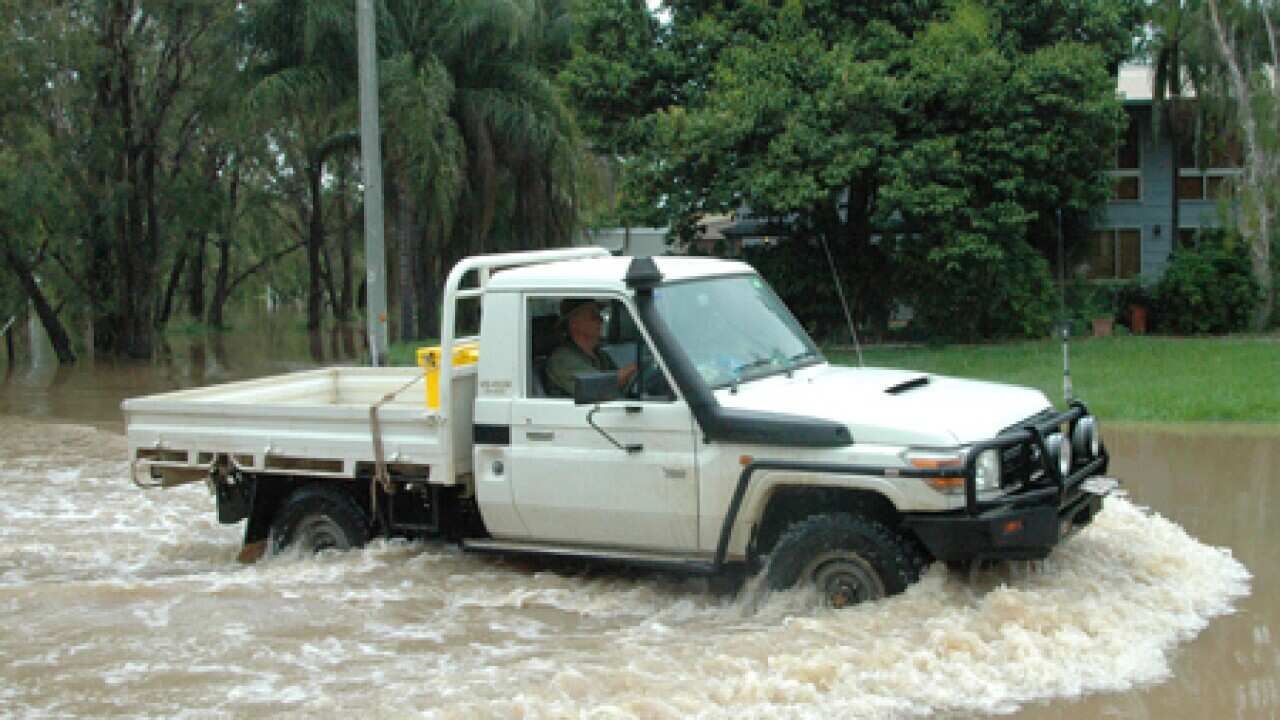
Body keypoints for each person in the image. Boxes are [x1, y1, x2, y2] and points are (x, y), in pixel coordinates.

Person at [545, 299, 637, 397]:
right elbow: (599, 388)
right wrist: (635, 367)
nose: (601, 320)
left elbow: (623, 384)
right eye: (594, 316)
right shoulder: (561, 359)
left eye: (599, 315)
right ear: (574, 324)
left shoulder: (600, 355)